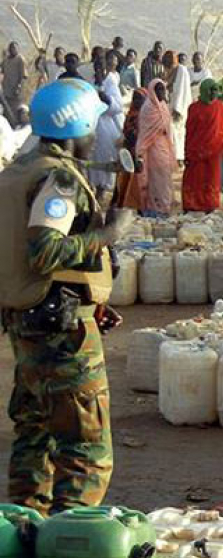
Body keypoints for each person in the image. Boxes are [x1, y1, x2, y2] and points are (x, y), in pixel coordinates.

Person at [0, 79, 132, 513]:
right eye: (90, 124)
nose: (94, 133)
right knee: (85, 449)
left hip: (27, 325)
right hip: (61, 337)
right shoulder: (57, 180)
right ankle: (67, 551)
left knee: (33, 441)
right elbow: (43, 252)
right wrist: (107, 234)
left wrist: (88, 296)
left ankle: (22, 542)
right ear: (75, 126)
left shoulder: (16, 174)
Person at [181, 80, 223, 213]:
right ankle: (192, 204)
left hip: (214, 152)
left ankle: (209, 205)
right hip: (196, 151)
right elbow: (190, 130)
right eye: (211, 90)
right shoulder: (194, 108)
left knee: (211, 179)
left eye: (215, 90)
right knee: (194, 179)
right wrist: (187, 151)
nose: (213, 94)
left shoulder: (221, 108)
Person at [137, 80, 175, 217]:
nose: (161, 93)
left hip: (164, 145)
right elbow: (146, 132)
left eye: (163, 89)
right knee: (155, 179)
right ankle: (154, 208)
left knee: (164, 178)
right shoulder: (148, 108)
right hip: (152, 148)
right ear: (152, 91)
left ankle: (165, 207)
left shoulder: (163, 106)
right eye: (158, 90)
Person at [90, 51, 124, 194]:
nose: (99, 68)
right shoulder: (90, 81)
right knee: (91, 158)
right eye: (96, 65)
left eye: (101, 66)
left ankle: (102, 189)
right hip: (91, 125)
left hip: (106, 125)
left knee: (104, 157)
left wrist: (106, 99)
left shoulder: (110, 81)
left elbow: (118, 106)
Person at [115, 88, 145, 211]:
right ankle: (123, 203)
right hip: (128, 150)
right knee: (125, 178)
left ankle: (138, 206)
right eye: (135, 98)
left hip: (140, 151)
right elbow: (125, 131)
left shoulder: (146, 117)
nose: (137, 101)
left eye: (140, 98)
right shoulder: (130, 115)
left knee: (138, 180)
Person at [165, 50, 191, 163]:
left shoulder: (181, 70)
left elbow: (182, 90)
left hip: (179, 106)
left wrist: (177, 108)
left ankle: (179, 157)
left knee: (178, 132)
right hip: (172, 104)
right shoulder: (172, 71)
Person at [2, 42, 26, 124]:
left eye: (15, 48)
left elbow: (23, 76)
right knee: (6, 110)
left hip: (15, 90)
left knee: (15, 110)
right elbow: (2, 71)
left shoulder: (20, 59)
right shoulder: (5, 60)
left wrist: (18, 87)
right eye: (12, 48)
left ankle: (15, 125)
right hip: (6, 90)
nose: (13, 50)